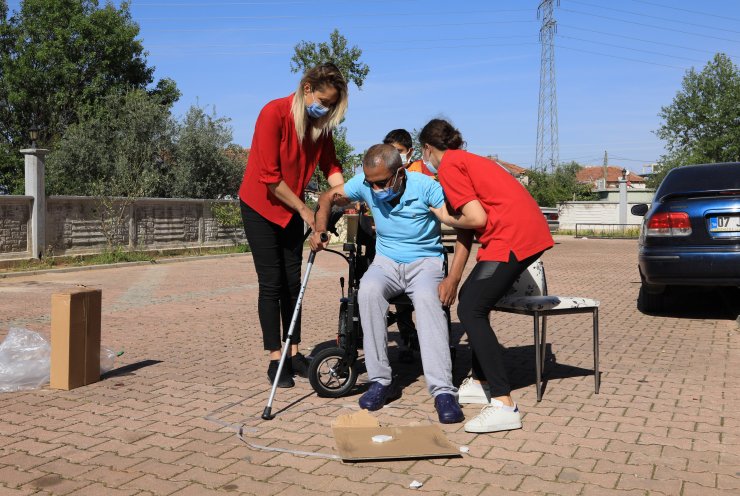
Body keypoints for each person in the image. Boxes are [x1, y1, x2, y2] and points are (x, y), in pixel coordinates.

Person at [310, 144, 465, 424]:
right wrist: (320, 227)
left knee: (430, 303)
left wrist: (453, 278)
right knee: (367, 292)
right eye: (371, 183)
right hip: (386, 261)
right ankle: (381, 382)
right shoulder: (366, 183)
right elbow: (327, 197)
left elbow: (466, 227)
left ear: (400, 173)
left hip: (425, 261)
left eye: (381, 182)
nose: (376, 189)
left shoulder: (427, 187)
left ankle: (443, 391)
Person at [420, 118, 554, 433]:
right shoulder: (468, 160)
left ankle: (505, 404)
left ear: (427, 149)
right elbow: (474, 222)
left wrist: (443, 215)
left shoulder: (449, 166)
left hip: (512, 235)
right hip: (522, 231)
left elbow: (473, 217)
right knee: (471, 299)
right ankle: (480, 382)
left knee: (470, 308)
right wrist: (455, 275)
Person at [238, 63, 349, 389]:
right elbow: (270, 178)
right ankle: (276, 359)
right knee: (271, 283)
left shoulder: (320, 127)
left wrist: (346, 195)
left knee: (293, 282)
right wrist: (306, 210)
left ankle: (295, 352)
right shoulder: (273, 114)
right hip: (260, 206)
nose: (325, 109)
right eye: (323, 101)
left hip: (289, 210)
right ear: (307, 90)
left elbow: (332, 167)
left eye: (331, 105)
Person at [380, 129, 433, 363]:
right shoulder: (383, 173)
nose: (395, 156)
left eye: (399, 152)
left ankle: (422, 339)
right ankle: (407, 334)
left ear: (410, 152)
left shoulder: (422, 173)